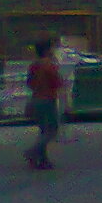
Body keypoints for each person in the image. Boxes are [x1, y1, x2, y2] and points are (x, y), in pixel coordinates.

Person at [24, 36, 64, 170]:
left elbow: (29, 83)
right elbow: (57, 82)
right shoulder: (49, 65)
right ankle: (33, 152)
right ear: (47, 50)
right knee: (51, 130)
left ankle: (43, 160)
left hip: (36, 99)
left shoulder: (34, 65)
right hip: (48, 100)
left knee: (43, 130)